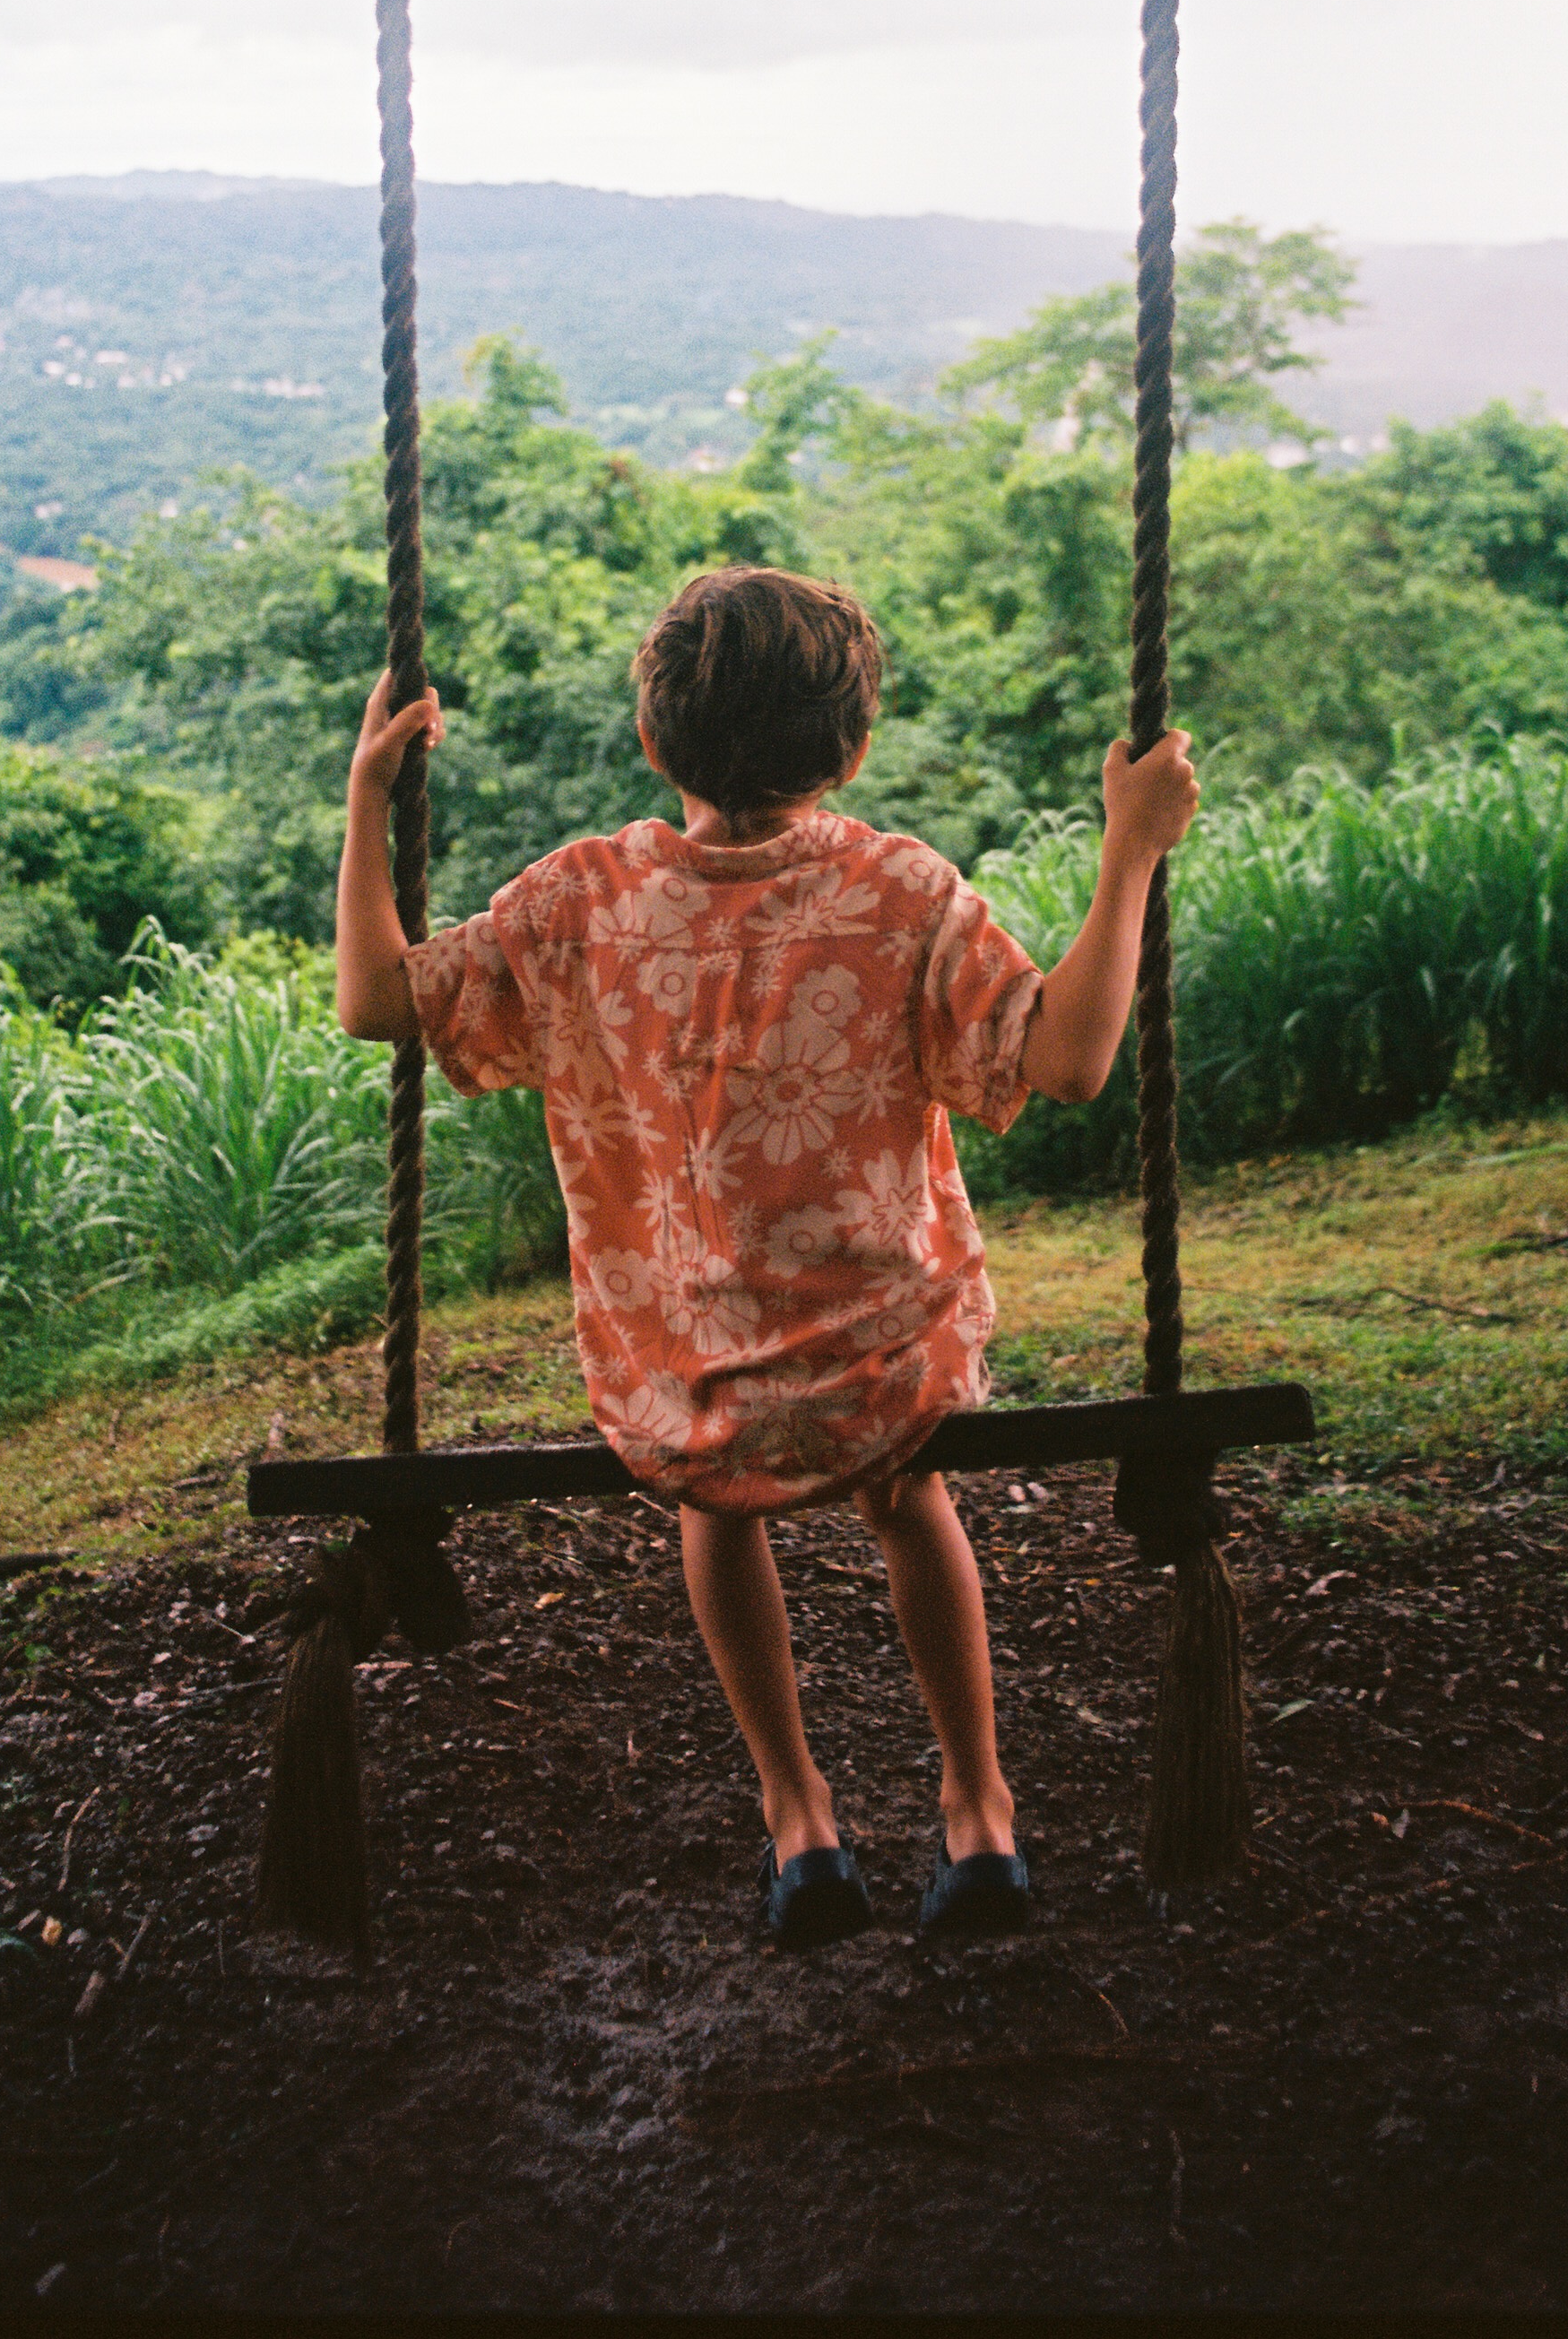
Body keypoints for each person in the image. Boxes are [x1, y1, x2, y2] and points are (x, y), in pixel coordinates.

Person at [336, 564, 1199, 1949]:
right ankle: (978, 1806)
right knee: (912, 1499)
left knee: (713, 1500)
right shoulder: (900, 892)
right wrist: (1131, 849)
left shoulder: (578, 903)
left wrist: (369, 798)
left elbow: (376, 999)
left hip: (682, 1377)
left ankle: (799, 1818)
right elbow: (1074, 1061)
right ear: (848, 750)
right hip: (883, 1366)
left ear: (651, 740)